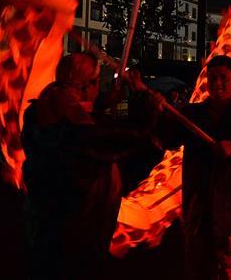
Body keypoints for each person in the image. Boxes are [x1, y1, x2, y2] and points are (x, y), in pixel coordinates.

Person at [22, 52, 150, 279]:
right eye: (96, 82)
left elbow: (77, 115)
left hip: (45, 228)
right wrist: (144, 99)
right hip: (79, 233)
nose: (98, 87)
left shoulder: (41, 111)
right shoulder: (81, 130)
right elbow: (129, 139)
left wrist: (104, 101)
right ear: (83, 86)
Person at [152, 54, 231, 280]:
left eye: (223, 78)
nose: (217, 83)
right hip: (199, 206)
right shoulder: (193, 113)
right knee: (199, 267)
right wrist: (161, 114)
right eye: (212, 78)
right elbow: (167, 140)